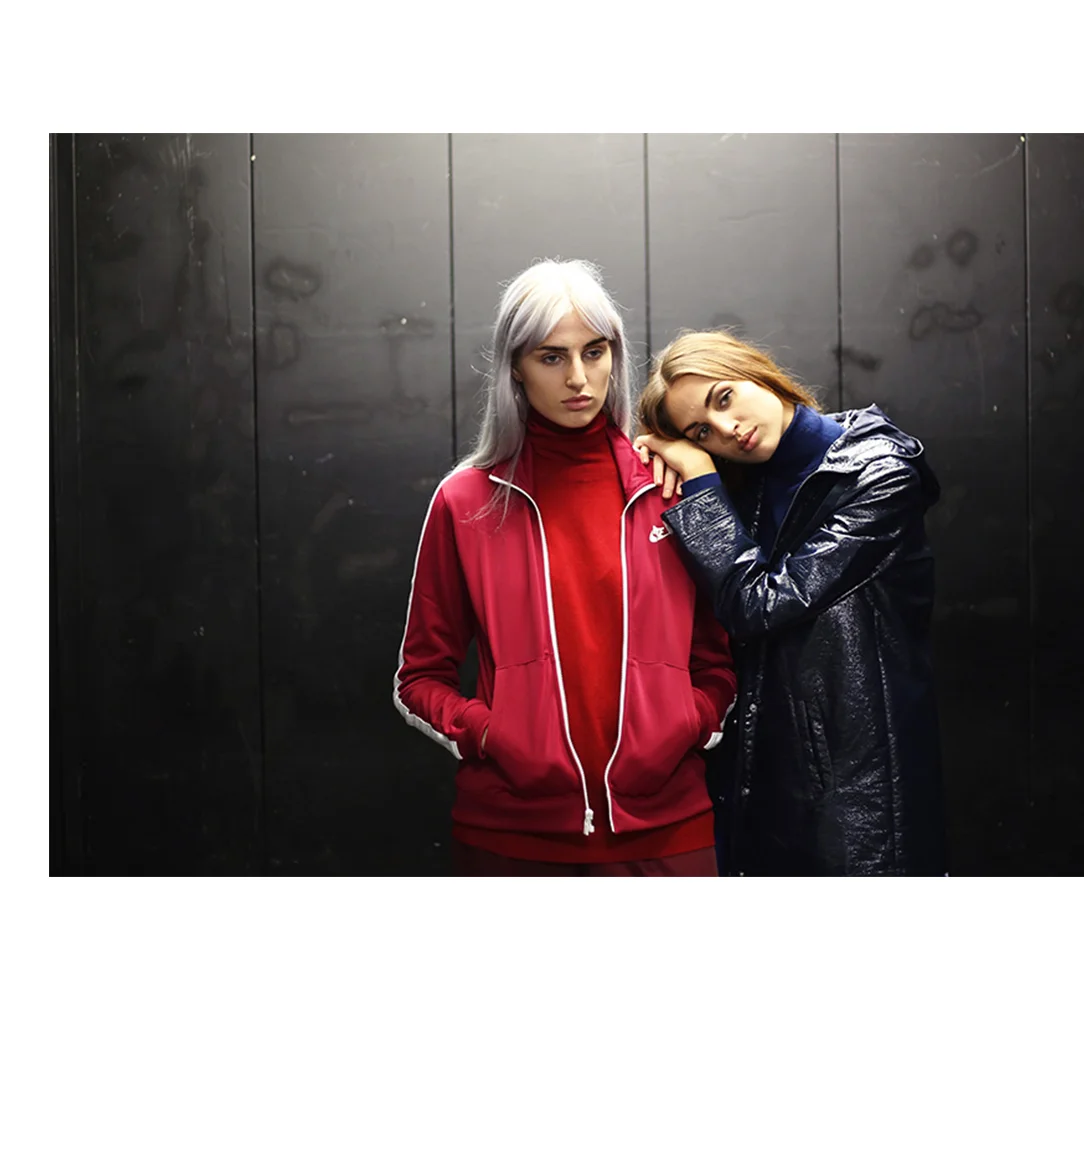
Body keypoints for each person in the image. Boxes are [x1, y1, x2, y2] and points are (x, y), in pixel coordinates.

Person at [394, 260, 737, 876]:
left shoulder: (669, 486)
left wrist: (688, 720)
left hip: (668, 828)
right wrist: (493, 735)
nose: (579, 378)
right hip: (512, 833)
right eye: (551, 357)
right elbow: (418, 678)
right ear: (515, 368)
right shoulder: (467, 501)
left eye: (594, 352)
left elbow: (720, 656)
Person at [634, 329, 946, 876]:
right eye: (701, 431)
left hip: (855, 801)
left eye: (724, 397)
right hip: (759, 790)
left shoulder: (880, 475)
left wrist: (700, 477)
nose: (727, 429)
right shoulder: (746, 485)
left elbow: (759, 603)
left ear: (756, 371)